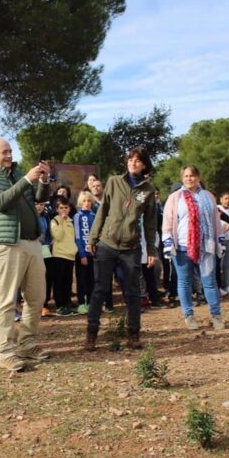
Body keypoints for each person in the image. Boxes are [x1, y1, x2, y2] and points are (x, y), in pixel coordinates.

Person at [0, 137, 52, 372]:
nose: (9, 155)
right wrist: (27, 179)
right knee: (6, 300)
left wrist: (43, 180)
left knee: (36, 298)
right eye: (4, 152)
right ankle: (6, 352)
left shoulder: (18, 174)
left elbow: (39, 198)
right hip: (6, 245)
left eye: (10, 151)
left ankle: (27, 344)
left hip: (32, 243)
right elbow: (0, 202)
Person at [84, 146, 158, 350]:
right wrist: (92, 238)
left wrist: (151, 251)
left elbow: (150, 223)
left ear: (144, 165)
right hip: (107, 245)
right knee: (100, 290)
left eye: (137, 160)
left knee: (132, 292)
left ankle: (133, 334)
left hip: (131, 247)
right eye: (130, 159)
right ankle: (91, 334)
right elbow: (103, 211)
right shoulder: (114, 181)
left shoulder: (148, 190)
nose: (133, 163)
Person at [162, 165, 224, 331]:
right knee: (184, 282)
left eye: (193, 175)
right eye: (187, 176)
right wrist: (168, 242)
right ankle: (188, 315)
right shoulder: (175, 197)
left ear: (198, 177)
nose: (190, 179)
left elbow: (215, 220)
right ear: (182, 178)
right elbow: (168, 221)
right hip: (182, 247)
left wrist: (220, 239)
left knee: (209, 281)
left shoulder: (208, 196)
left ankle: (216, 315)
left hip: (206, 245)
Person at [50, 197, 78, 316]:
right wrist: (61, 220)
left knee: (68, 282)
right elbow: (58, 236)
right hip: (59, 255)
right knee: (59, 281)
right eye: (61, 208)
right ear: (57, 209)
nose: (64, 210)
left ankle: (67, 303)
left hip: (70, 255)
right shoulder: (55, 221)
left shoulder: (71, 221)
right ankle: (60, 305)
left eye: (66, 208)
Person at [74, 190, 96, 314]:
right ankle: (81, 303)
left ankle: (91, 303)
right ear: (80, 202)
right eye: (84, 201)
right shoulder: (78, 216)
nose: (87, 203)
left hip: (92, 254)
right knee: (81, 280)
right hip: (81, 254)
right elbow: (77, 237)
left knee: (91, 279)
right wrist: (82, 254)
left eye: (88, 201)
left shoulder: (93, 216)